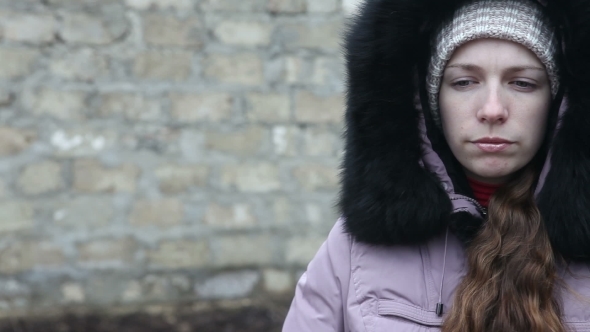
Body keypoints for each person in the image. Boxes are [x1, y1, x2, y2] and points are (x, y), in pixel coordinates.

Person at [283, 0, 590, 330]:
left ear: (558, 103)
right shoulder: (354, 252)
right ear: (431, 103)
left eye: (522, 83)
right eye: (464, 82)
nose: (492, 109)